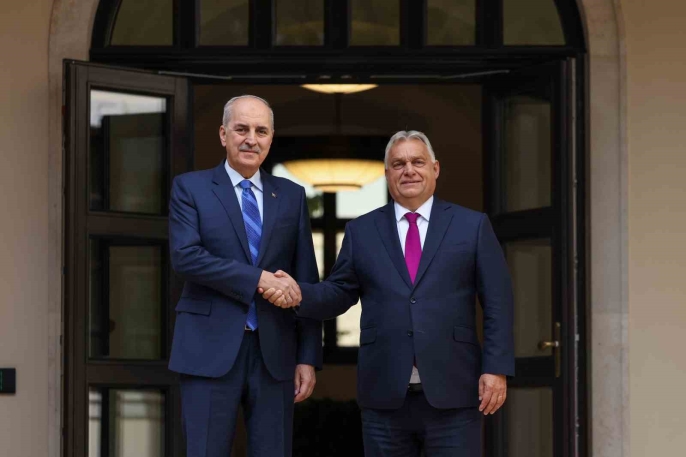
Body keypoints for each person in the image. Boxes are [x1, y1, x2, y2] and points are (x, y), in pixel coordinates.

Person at [262, 131, 515, 457]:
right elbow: (339, 292)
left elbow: (498, 302)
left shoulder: (472, 226)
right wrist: (298, 294)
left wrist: (495, 368)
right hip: (384, 393)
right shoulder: (361, 231)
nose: (408, 170)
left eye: (417, 162)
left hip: (455, 391)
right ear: (386, 173)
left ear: (435, 168)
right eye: (398, 164)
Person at [168, 95, 321, 457]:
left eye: (261, 131)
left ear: (270, 138)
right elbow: (186, 257)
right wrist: (258, 279)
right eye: (242, 129)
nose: (251, 139)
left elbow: (306, 279)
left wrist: (308, 356)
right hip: (207, 349)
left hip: (275, 353)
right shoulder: (190, 188)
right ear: (224, 134)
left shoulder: (292, 195)